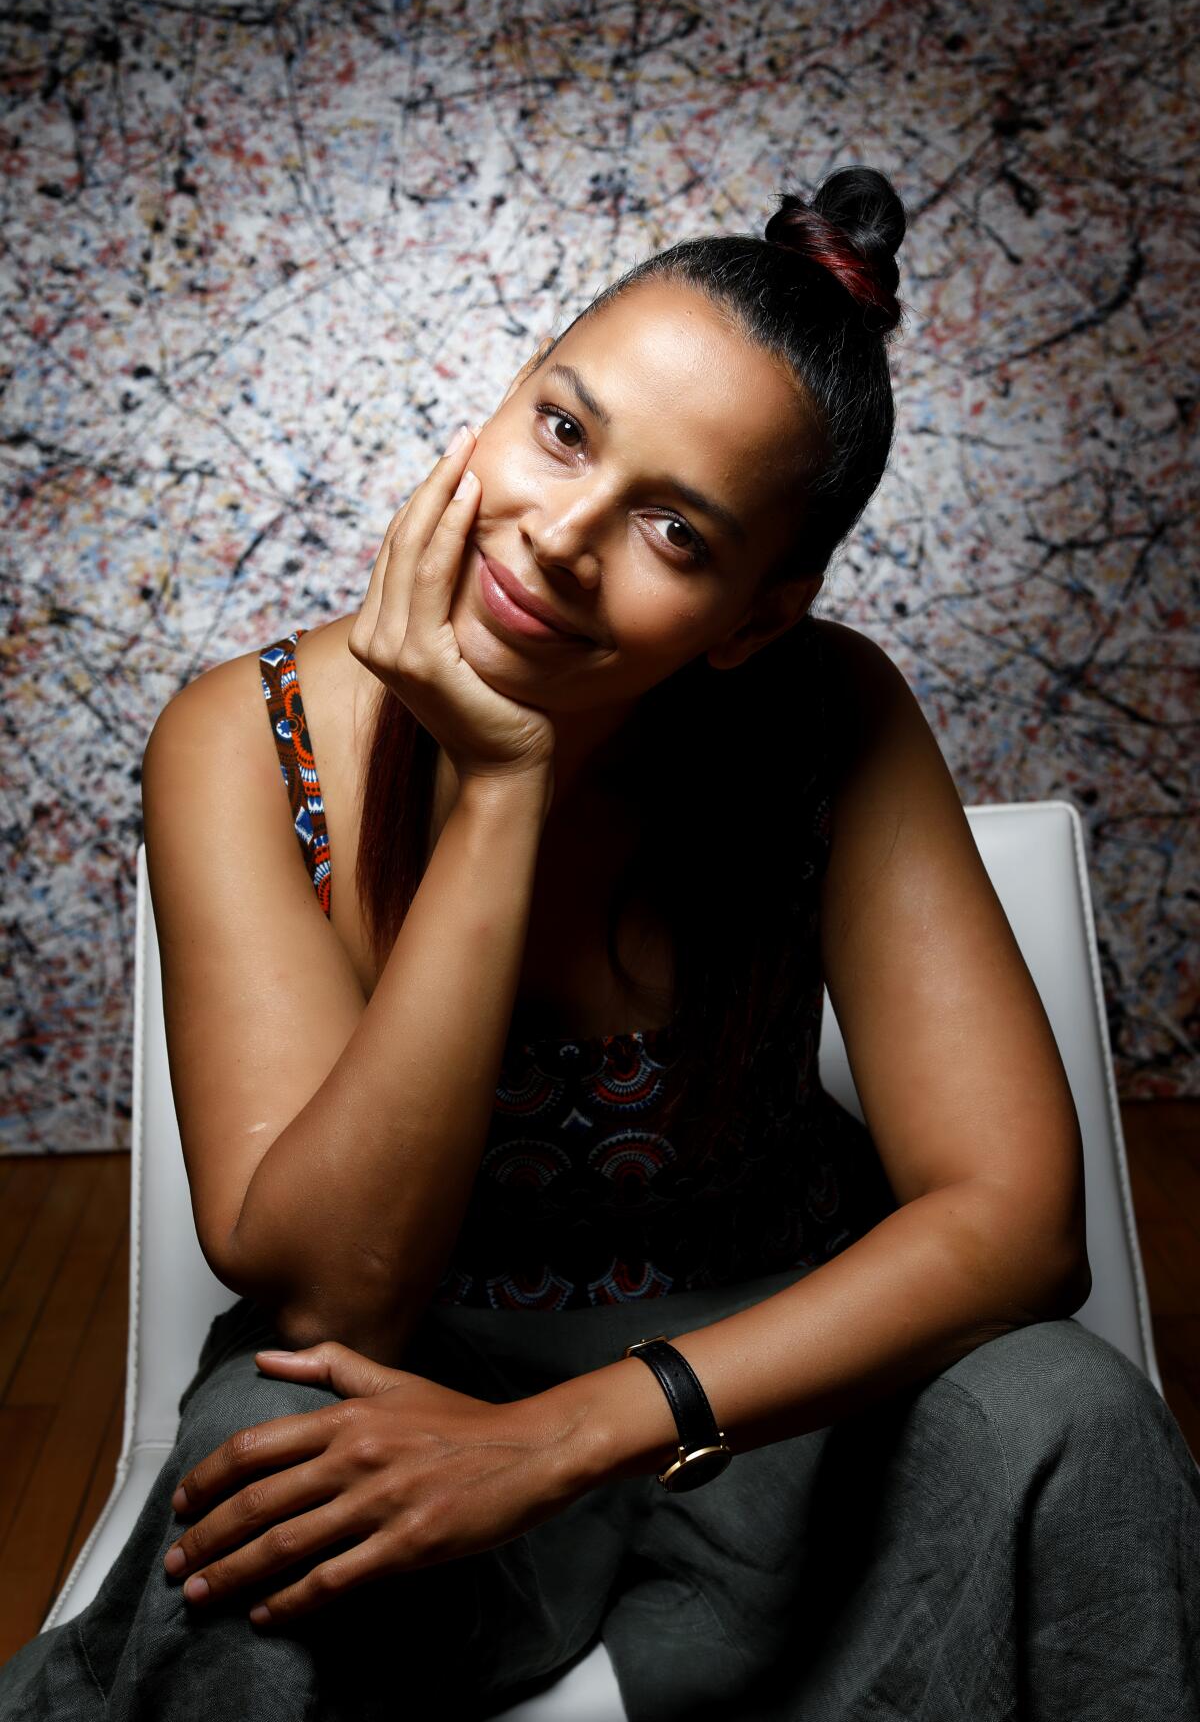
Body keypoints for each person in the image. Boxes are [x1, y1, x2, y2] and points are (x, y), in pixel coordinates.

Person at [3, 165, 1197, 1722]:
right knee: (258, 1470)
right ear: (506, 397)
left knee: (1073, 1415)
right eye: (563, 429)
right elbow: (332, 1292)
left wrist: (570, 1432)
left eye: (674, 532)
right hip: (408, 1385)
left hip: (781, 1400)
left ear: (756, 618)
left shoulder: (829, 706)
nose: (560, 534)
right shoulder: (243, 739)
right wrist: (503, 784)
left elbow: (1021, 1225)